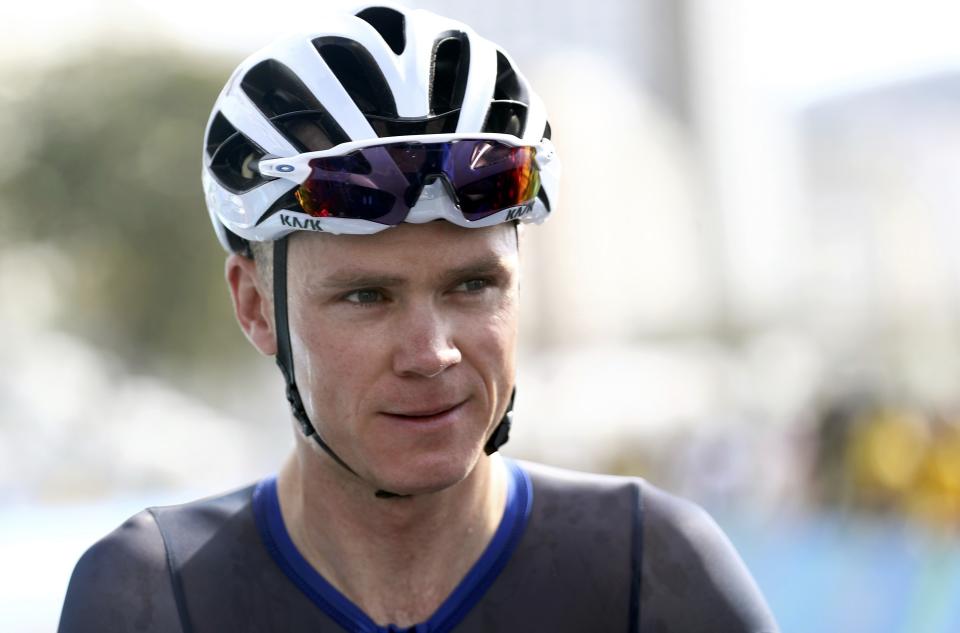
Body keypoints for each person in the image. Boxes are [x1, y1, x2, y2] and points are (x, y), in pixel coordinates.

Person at [58, 4, 780, 632]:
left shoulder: (654, 568)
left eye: (473, 284)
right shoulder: (152, 595)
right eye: (367, 296)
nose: (431, 352)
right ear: (254, 307)